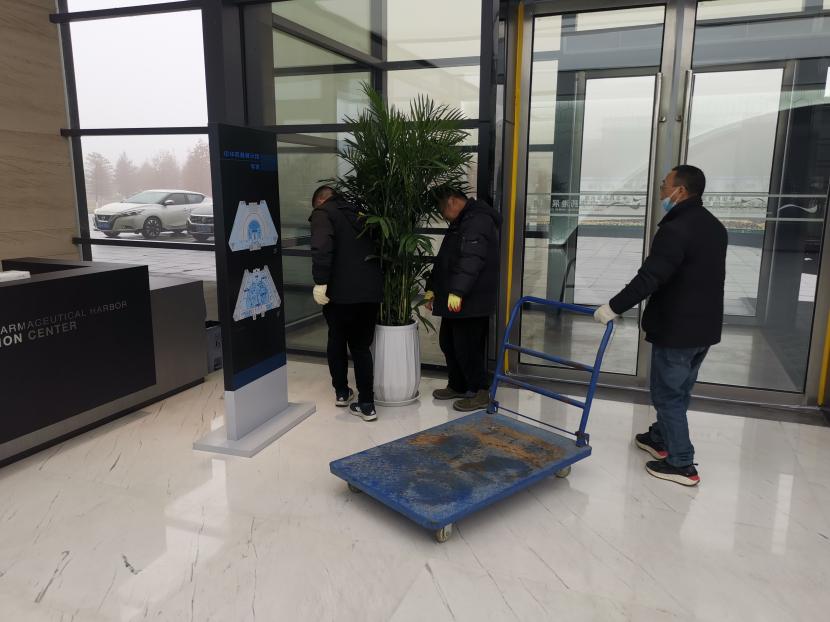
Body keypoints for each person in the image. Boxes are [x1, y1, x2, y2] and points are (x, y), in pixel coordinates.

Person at [593, 165, 727, 486]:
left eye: (665, 185)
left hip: (678, 329)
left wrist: (613, 307)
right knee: (680, 390)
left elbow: (650, 277)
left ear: (681, 191)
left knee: (668, 396)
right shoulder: (714, 226)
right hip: (704, 328)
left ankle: (682, 463)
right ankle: (660, 437)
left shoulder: (676, 230)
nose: (661, 192)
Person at [310, 185, 383, 422]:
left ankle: (342, 392)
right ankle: (367, 404)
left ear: (320, 201)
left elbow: (322, 247)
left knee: (337, 340)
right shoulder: (361, 214)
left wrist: (320, 281)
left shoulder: (323, 213)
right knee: (361, 347)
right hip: (370, 292)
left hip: (340, 294)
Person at [425, 188, 502, 412]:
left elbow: (471, 259)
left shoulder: (478, 220)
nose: (443, 215)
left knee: (467, 347)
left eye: (442, 209)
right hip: (456, 297)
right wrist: (432, 289)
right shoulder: (462, 220)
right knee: (448, 342)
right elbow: (445, 259)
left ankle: (480, 392)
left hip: (471, 299)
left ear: (452, 201)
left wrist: (458, 292)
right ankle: (458, 385)